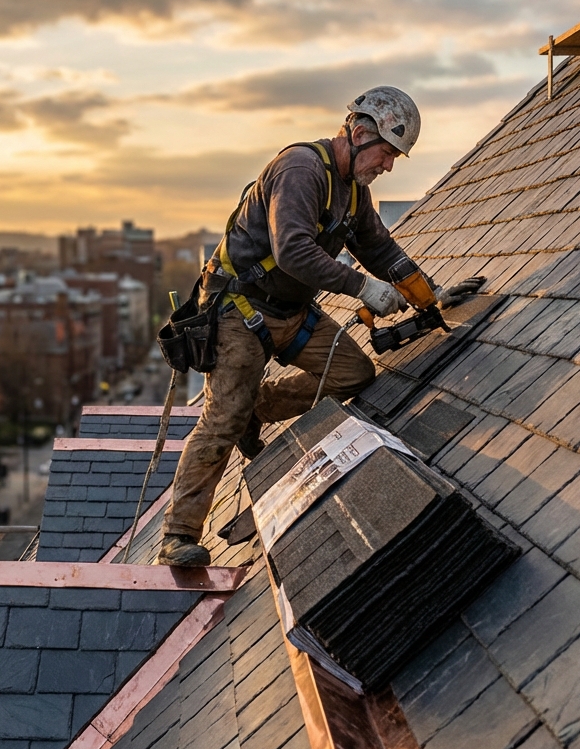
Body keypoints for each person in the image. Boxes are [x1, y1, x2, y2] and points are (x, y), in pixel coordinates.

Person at [158, 86, 429, 567]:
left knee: (353, 373)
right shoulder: (302, 170)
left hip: (293, 312)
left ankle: (257, 408)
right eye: (387, 153)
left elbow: (378, 248)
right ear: (360, 133)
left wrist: (421, 286)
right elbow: (293, 251)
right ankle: (178, 535)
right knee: (221, 419)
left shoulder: (352, 192)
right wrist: (364, 290)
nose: (388, 165)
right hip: (240, 313)